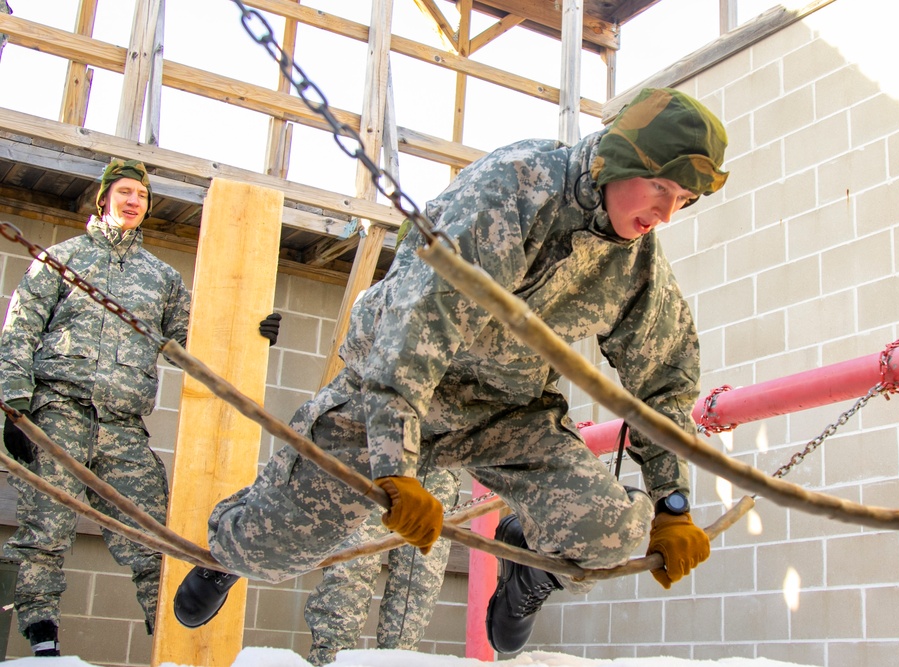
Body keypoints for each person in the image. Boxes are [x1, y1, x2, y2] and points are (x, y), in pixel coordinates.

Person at [172, 87, 728, 654]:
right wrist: (396, 467)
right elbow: (417, 328)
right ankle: (228, 553)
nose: (664, 213)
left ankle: (530, 572)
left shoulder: (636, 261)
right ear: (618, 158)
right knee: (277, 551)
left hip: (509, 414)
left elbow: (664, 380)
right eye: (659, 186)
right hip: (396, 394)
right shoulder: (513, 189)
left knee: (611, 533)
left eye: (682, 199)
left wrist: (672, 504)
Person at [0, 158, 281, 657]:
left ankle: (170, 641)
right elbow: (19, 332)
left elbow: (199, 341)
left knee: (154, 537)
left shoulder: (162, 280)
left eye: (142, 196)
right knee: (45, 531)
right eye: (125, 191)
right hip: (58, 412)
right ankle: (44, 641)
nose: (134, 201)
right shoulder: (59, 260)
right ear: (104, 198)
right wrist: (14, 407)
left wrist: (255, 332)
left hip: (124, 426)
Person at [304, 466, 460, 665]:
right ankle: (330, 660)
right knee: (352, 567)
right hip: (376, 457)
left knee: (419, 580)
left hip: (437, 464)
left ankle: (398, 661)